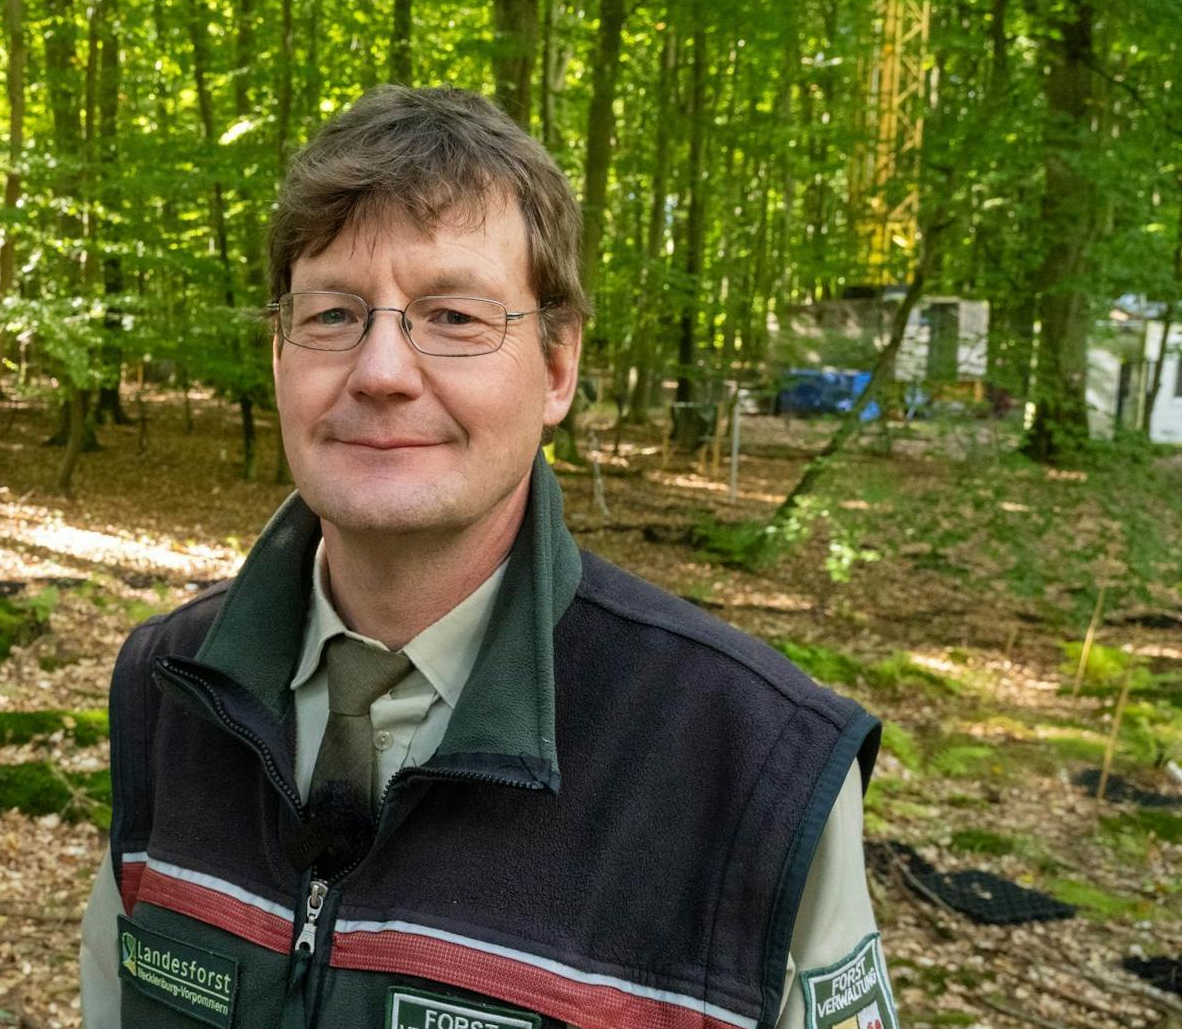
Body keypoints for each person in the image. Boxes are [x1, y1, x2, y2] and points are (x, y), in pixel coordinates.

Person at [78, 86, 894, 1029]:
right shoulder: (166, 694)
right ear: (279, 354)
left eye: (455, 316)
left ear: (556, 367)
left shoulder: (755, 768)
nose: (381, 371)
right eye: (335, 314)